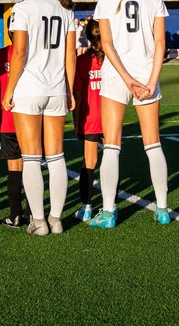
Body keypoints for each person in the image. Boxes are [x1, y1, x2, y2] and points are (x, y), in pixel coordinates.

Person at [87, 0, 172, 228]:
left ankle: (109, 212)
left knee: (111, 145)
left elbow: (106, 45)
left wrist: (126, 79)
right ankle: (162, 209)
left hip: (116, 78)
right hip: (148, 74)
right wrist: (149, 81)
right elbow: (161, 43)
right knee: (153, 143)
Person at [1, 0, 76, 236]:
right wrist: (69, 90)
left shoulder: (23, 9)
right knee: (56, 156)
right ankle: (56, 219)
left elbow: (18, 53)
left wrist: (9, 90)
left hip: (29, 89)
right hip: (57, 89)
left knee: (31, 157)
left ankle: (39, 221)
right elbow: (70, 55)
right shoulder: (65, 9)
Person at [0, 24, 26, 228]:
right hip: (30, 119)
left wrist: (4, 104)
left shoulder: (0, 55)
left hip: (9, 120)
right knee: (31, 164)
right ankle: (34, 213)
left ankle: (16, 214)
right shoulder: (31, 52)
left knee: (14, 167)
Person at [72, 18, 104, 221]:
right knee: (111, 160)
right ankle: (110, 205)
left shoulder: (83, 62)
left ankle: (86, 207)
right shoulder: (112, 60)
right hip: (111, 118)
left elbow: (78, 96)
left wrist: (77, 123)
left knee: (89, 163)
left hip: (90, 118)